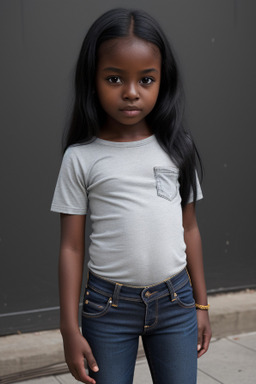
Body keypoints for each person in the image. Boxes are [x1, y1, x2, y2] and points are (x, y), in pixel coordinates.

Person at [51, 8, 211, 384]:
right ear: (92, 80)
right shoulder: (81, 157)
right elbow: (71, 248)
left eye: (146, 79)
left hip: (176, 303)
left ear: (162, 81)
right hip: (107, 309)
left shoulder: (178, 148)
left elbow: (189, 229)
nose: (131, 92)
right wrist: (68, 329)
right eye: (114, 78)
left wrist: (201, 304)